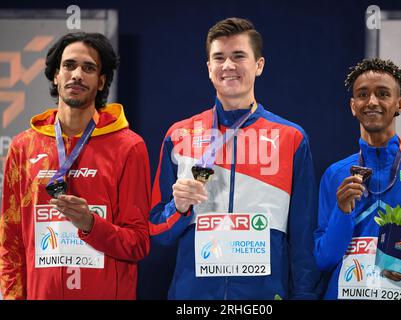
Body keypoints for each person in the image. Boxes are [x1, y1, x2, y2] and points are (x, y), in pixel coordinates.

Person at [149, 17, 322, 300]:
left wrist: (304, 294)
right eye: (219, 58)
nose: (228, 65)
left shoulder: (291, 137)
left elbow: (303, 235)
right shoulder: (179, 135)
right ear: (209, 68)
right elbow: (156, 229)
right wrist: (178, 208)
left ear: (259, 65)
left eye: (238, 56)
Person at [0, 32, 151, 299]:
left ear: (102, 81)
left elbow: (138, 244)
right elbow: (10, 240)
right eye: (69, 65)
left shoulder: (129, 147)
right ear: (56, 75)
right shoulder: (24, 147)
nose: (77, 74)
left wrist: (91, 224)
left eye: (89, 68)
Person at [314, 58, 401, 300]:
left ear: (400, 104)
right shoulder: (335, 174)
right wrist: (342, 213)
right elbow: (324, 258)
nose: (372, 102)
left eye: (383, 93)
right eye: (363, 94)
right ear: (353, 106)